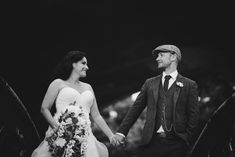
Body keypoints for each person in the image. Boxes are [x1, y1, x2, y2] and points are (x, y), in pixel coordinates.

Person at [114, 44, 200, 157]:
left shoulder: (189, 85)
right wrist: (121, 132)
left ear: (173, 57)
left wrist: (186, 140)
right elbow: (135, 109)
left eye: (161, 55)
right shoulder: (149, 83)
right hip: (150, 144)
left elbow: (193, 115)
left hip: (177, 145)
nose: (157, 58)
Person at [31, 50, 117, 157]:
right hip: (62, 135)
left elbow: (96, 115)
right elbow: (44, 108)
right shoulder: (58, 83)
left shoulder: (88, 87)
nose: (87, 67)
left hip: (85, 138)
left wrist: (110, 135)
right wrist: (56, 128)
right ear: (73, 64)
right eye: (83, 63)